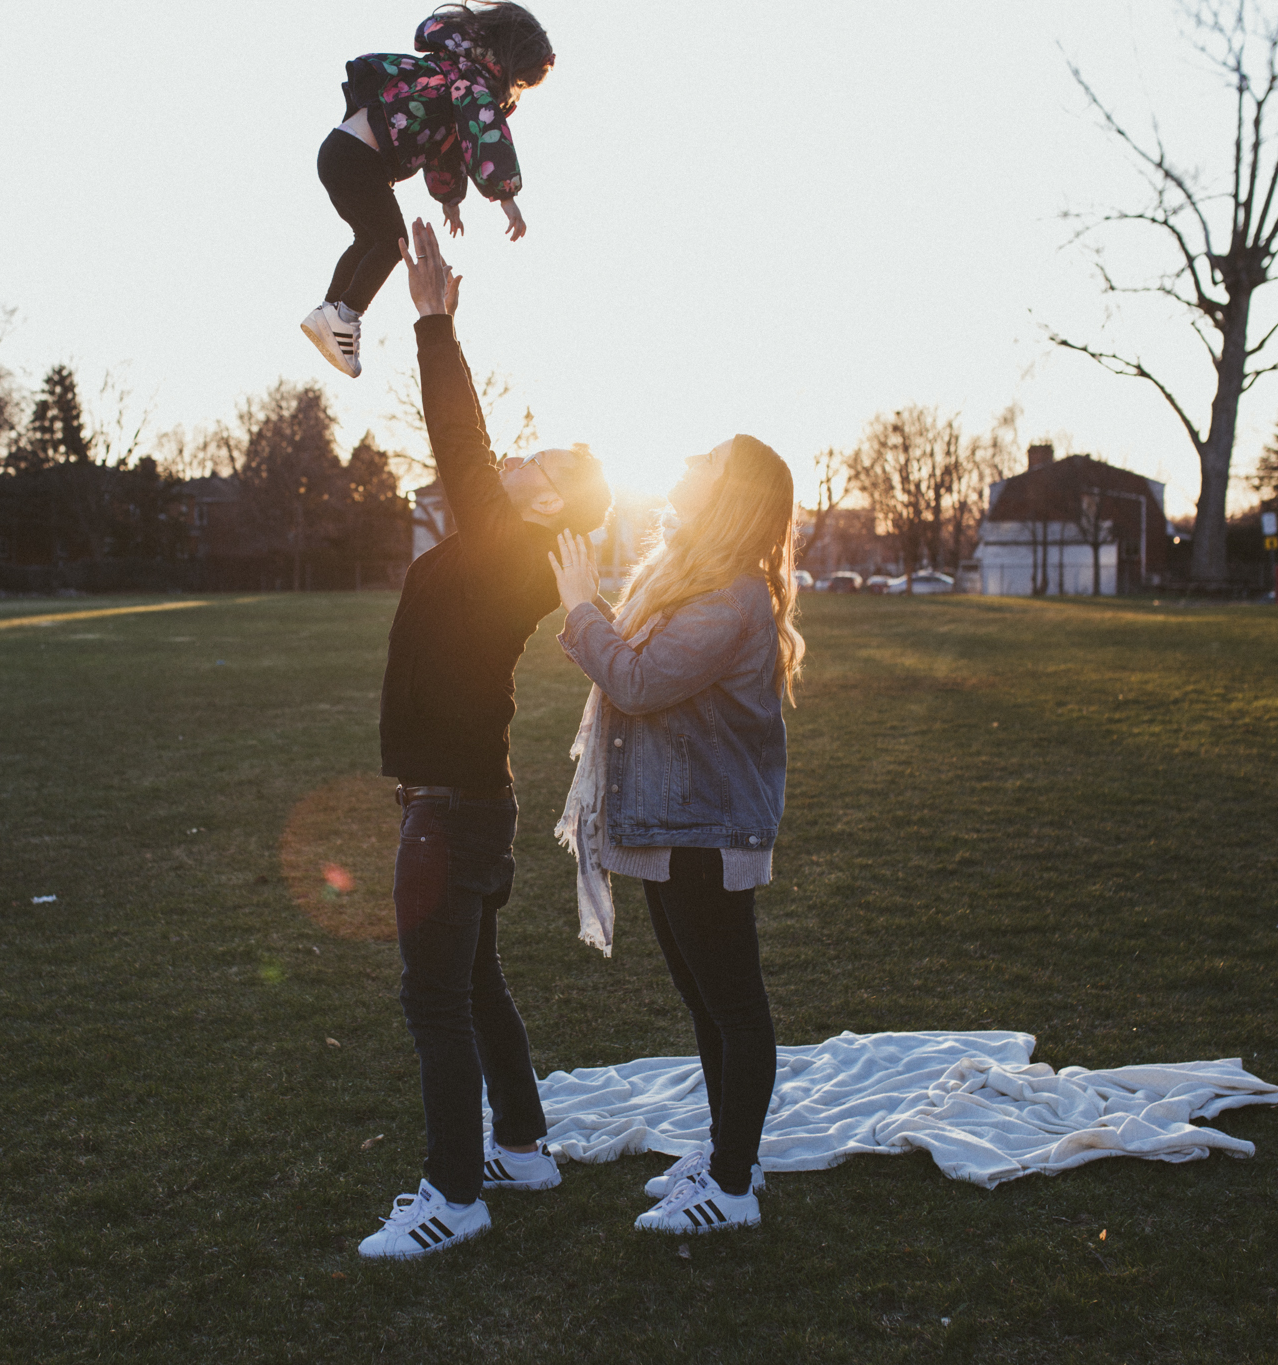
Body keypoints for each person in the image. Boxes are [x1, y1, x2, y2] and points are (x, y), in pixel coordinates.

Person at [356, 220, 611, 1261]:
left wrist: (431, 324)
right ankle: (522, 1145)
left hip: (452, 807)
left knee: (434, 1001)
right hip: (470, 799)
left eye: (533, 461)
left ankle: (454, 1196)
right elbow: (468, 456)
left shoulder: (511, 550)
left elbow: (458, 440)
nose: (510, 456)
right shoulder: (493, 550)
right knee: (475, 984)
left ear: (546, 502)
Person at [544, 435, 805, 1235]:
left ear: (730, 495)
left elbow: (635, 679)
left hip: (706, 830)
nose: (688, 462)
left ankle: (731, 1187)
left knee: (734, 1003)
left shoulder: (731, 596)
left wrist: (581, 606)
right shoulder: (695, 579)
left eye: (708, 460)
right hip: (675, 824)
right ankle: (734, 1153)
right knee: (705, 998)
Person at [303, 2, 554, 380]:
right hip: (358, 158)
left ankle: (331, 310)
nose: (514, 91)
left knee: (369, 238)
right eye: (519, 83)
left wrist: (450, 198)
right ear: (510, 64)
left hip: (340, 152)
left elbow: (446, 145)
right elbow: (483, 130)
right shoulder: (472, 83)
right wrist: (506, 195)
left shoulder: (452, 70)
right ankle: (346, 315)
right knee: (392, 242)